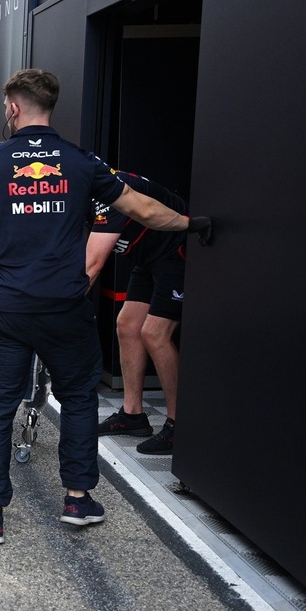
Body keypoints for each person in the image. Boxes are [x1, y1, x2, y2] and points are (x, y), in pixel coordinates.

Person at [0, 69, 211, 545]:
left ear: (13, 108)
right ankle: (78, 500)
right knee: (78, 399)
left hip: (8, 308)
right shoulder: (82, 163)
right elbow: (143, 209)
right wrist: (190, 222)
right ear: (49, 107)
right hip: (66, 306)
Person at [86, 171, 190, 455]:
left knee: (154, 334)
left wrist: (56, 313)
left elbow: (92, 266)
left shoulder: (108, 192)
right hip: (148, 257)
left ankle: (178, 426)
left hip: (178, 249)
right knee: (127, 326)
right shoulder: (82, 192)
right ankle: (133, 415)